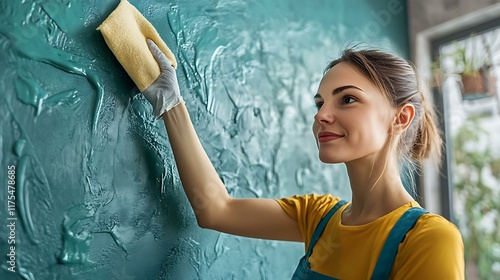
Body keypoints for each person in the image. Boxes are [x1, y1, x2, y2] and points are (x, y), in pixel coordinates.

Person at [142, 39, 465, 279]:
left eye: (348, 99)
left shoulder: (429, 239)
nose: (322, 115)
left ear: (401, 117)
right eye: (320, 103)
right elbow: (215, 209)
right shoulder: (319, 217)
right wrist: (171, 104)